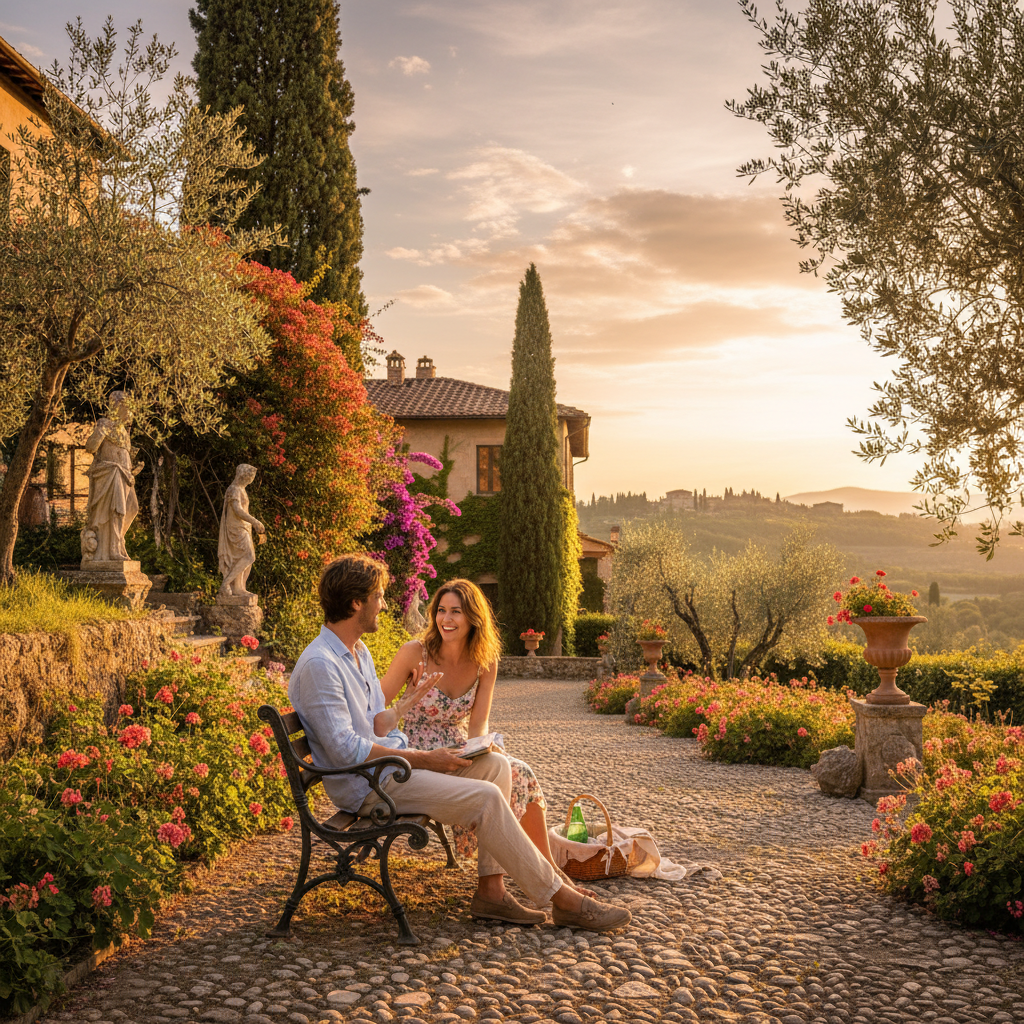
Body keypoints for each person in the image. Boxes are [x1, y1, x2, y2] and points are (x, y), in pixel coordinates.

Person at [288, 554, 630, 932]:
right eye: (379, 596)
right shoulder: (321, 664)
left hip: (388, 772)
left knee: (499, 767)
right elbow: (346, 752)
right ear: (356, 603)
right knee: (485, 798)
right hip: (367, 785)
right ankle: (561, 899)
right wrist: (422, 758)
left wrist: (404, 706)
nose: (384, 604)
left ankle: (491, 892)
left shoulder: (357, 653)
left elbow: (376, 724)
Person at [379, 579, 595, 897]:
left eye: (456, 611)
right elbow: (375, 707)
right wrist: (402, 705)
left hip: (457, 749)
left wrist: (480, 747)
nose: (446, 619)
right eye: (441, 611)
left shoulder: (485, 661)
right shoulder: (415, 653)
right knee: (503, 773)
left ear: (473, 618)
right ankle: (515, 883)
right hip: (415, 753)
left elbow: (478, 723)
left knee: (520, 772)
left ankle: (549, 871)